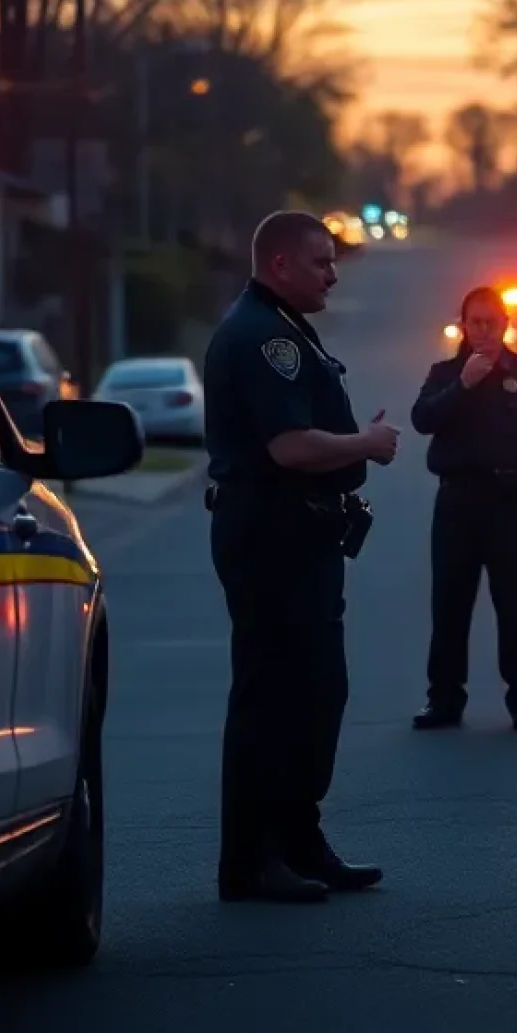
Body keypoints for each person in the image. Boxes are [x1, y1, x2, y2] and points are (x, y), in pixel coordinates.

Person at [204, 210, 400, 904]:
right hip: (272, 533)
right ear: (280, 264)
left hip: (299, 536)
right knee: (275, 699)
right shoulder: (264, 339)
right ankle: (253, 861)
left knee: (315, 694)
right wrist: (366, 445)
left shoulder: (281, 329)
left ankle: (298, 841)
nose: (334, 271)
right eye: (321, 261)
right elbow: (289, 448)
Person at [410, 286, 517, 732]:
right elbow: (423, 419)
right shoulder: (445, 373)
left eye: (490, 322)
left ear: (505, 325)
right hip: (458, 503)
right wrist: (464, 385)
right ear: (462, 325)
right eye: (474, 322)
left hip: (512, 507)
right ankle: (444, 699)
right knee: (450, 606)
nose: (482, 330)